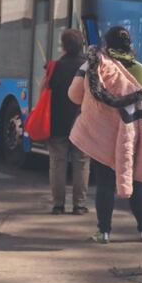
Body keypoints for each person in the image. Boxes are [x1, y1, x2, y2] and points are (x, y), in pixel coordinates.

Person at [69, 25, 142, 244]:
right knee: (137, 181)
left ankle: (103, 232)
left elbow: (74, 95)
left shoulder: (93, 65)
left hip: (101, 134)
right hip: (131, 135)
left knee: (105, 184)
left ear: (106, 43)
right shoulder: (141, 70)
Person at [46, 29, 90, 215]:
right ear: (81, 45)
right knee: (81, 162)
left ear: (63, 45)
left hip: (57, 122)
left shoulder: (55, 66)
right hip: (82, 122)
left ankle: (58, 204)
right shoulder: (88, 68)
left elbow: (44, 91)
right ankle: (79, 205)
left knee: (58, 162)